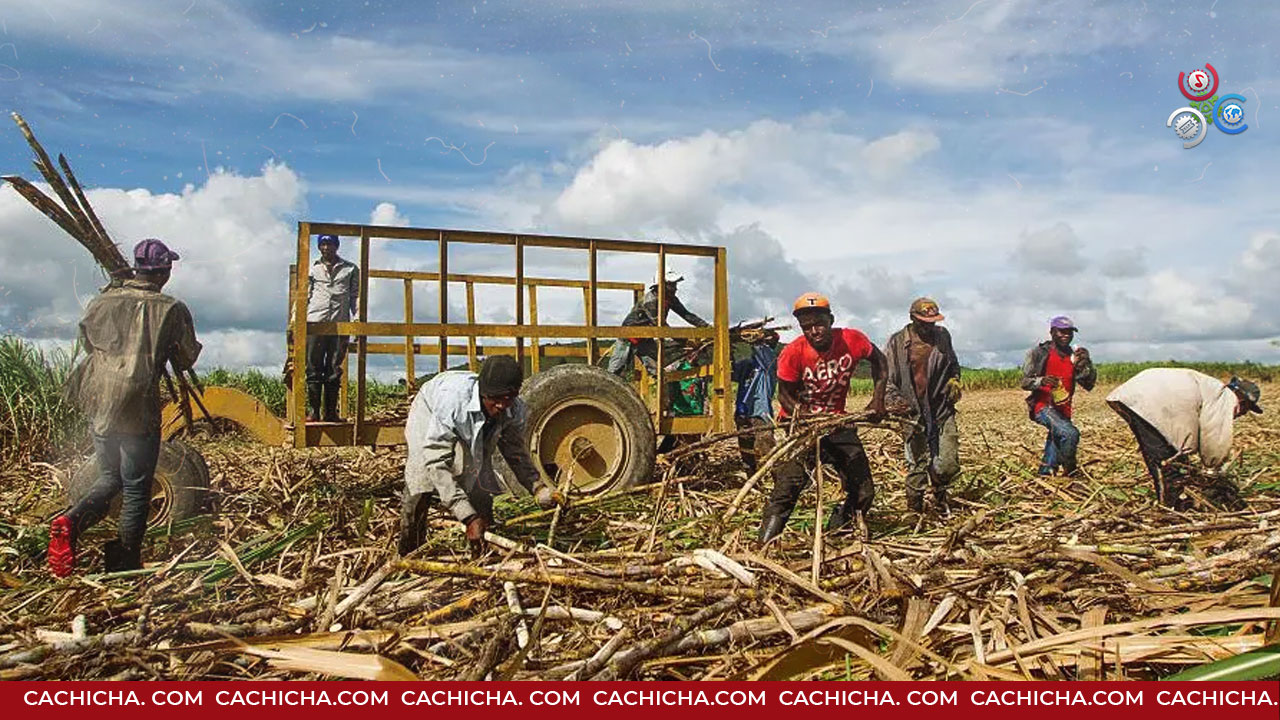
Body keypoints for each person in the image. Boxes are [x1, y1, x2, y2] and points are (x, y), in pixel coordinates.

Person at [49, 239, 202, 576]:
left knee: (109, 477)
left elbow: (87, 341)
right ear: (163, 271)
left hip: (100, 404)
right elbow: (187, 356)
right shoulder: (171, 308)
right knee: (135, 486)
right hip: (137, 409)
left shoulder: (101, 302)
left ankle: (69, 522)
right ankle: (126, 562)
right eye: (168, 267)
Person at [759, 292, 889, 544]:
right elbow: (784, 396)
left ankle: (835, 533)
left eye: (819, 323)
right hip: (801, 427)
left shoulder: (853, 340)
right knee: (788, 490)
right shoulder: (793, 353)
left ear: (830, 319)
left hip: (837, 424)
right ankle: (763, 547)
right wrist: (807, 418)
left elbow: (880, 362)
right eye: (807, 327)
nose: (814, 331)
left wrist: (878, 398)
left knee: (863, 491)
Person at [400, 356, 562, 555]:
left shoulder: (514, 408)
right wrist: (467, 516)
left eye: (509, 397)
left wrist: (538, 487)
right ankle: (409, 552)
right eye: (496, 399)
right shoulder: (453, 404)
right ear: (484, 393)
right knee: (421, 480)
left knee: (479, 474)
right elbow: (436, 461)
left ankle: (483, 545)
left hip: (468, 419)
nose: (502, 405)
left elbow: (515, 452)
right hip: (430, 407)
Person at [1107, 370, 1261, 508]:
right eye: (1245, 411)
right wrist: (1212, 471)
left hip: (1135, 394)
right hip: (1154, 399)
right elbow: (1214, 438)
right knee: (1166, 462)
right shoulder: (1226, 399)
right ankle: (1171, 507)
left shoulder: (1211, 389)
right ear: (1243, 402)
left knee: (1164, 455)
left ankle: (1173, 502)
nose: (1241, 415)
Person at [885, 297, 962, 515]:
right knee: (917, 463)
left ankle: (940, 497)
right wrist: (895, 402)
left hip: (940, 408)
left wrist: (954, 380)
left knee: (946, 463)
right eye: (924, 322)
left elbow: (953, 365)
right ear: (912, 318)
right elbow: (887, 379)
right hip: (911, 411)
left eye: (932, 322)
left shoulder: (943, 336)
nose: (929, 327)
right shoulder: (896, 343)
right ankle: (914, 510)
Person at [1020, 316, 1096, 477]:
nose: (1065, 335)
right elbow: (1024, 381)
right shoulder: (1039, 353)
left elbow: (1089, 384)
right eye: (1061, 331)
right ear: (1052, 332)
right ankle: (1071, 471)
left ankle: (1045, 474)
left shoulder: (1074, 356)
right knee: (1070, 434)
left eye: (1069, 332)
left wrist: (1087, 363)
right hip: (1043, 407)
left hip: (1064, 409)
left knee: (1056, 438)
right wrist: (1042, 381)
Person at [607, 270, 709, 377]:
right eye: (671, 285)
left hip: (644, 338)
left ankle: (664, 391)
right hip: (629, 337)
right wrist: (685, 341)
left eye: (675, 285)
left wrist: (706, 327)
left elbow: (686, 314)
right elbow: (661, 325)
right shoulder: (651, 301)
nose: (675, 288)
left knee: (657, 370)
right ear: (661, 286)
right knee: (615, 371)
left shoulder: (671, 299)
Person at [305, 234, 359, 422]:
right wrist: (296, 321)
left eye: (330, 244)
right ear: (319, 247)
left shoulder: (350, 269)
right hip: (315, 323)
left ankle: (330, 412)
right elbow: (304, 295)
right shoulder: (312, 269)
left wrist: (357, 320)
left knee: (334, 369)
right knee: (313, 368)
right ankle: (314, 412)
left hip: (339, 323)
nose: (326, 248)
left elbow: (355, 296)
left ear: (337, 246)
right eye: (323, 244)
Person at [733, 329, 780, 474]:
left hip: (760, 412)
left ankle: (777, 477)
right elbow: (730, 371)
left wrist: (757, 339)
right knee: (746, 449)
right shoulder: (747, 364)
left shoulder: (769, 363)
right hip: (742, 412)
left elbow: (762, 349)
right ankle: (751, 477)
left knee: (767, 447)